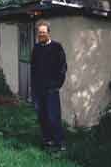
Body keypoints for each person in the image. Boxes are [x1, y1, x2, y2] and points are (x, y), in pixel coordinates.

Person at [30, 20, 67, 152]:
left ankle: (60, 143)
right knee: (42, 116)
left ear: (49, 33)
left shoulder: (57, 47)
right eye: (39, 33)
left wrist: (57, 84)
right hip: (38, 89)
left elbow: (63, 67)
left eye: (43, 32)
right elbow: (33, 69)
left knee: (53, 116)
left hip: (51, 88)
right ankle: (48, 140)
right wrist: (33, 87)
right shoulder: (36, 48)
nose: (41, 35)